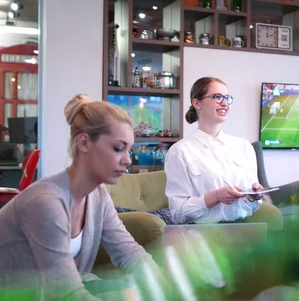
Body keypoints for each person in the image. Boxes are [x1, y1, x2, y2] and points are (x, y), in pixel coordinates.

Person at [0, 94, 160, 299]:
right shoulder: (46, 203)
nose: (128, 160)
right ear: (84, 142)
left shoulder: (99, 196)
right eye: (118, 148)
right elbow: (66, 294)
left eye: (130, 150)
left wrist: (162, 286)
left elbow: (129, 254)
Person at [164, 77, 282, 229]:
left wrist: (254, 197)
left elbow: (254, 206)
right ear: (197, 103)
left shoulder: (244, 147)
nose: (225, 103)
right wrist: (214, 197)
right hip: (202, 235)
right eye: (217, 97)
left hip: (246, 230)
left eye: (227, 98)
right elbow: (178, 213)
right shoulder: (179, 152)